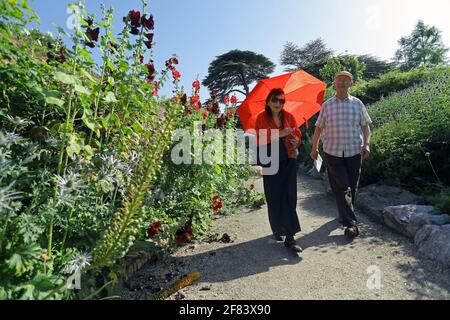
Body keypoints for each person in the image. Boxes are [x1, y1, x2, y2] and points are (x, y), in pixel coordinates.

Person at [310, 71, 372, 237]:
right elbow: (319, 127)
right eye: (340, 80)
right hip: (333, 152)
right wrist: (314, 147)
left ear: (351, 84)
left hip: (354, 151)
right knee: (342, 187)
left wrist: (367, 144)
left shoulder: (358, 104)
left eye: (347, 80)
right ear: (334, 84)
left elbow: (366, 127)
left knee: (352, 186)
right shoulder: (327, 105)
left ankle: (344, 214)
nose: (343, 83)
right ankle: (351, 224)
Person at [255, 88, 303, 252]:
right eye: (275, 100)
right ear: (268, 101)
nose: (278, 103)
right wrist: (280, 133)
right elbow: (260, 139)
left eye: (281, 101)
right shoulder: (261, 118)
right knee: (274, 196)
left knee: (289, 195)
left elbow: (298, 135)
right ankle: (278, 229)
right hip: (270, 161)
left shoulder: (289, 116)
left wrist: (296, 141)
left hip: (289, 160)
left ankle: (290, 237)